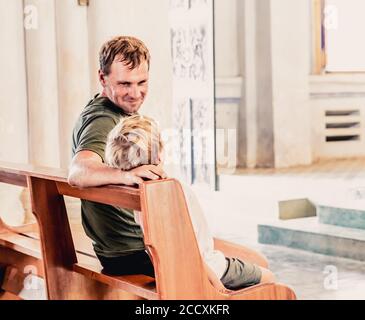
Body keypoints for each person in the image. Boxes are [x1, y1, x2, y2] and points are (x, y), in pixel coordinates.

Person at [104, 114, 276, 290]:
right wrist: (217, 289)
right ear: (159, 156)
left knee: (255, 261)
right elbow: (189, 251)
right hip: (210, 268)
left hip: (175, 269)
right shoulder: (170, 191)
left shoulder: (140, 190)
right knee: (270, 279)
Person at [68, 36, 166, 277]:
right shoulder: (104, 120)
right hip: (135, 254)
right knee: (257, 270)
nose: (135, 93)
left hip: (125, 250)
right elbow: (78, 171)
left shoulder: (111, 111)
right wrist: (127, 175)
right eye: (124, 84)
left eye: (142, 82)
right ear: (102, 78)